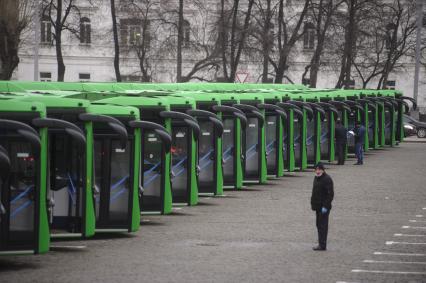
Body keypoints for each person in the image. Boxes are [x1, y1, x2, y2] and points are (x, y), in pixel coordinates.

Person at [311, 162, 334, 251]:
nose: (317, 171)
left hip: (323, 207)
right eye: (316, 169)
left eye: (319, 169)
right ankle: (321, 242)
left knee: (323, 226)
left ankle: (322, 244)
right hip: (317, 206)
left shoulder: (327, 179)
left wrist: (325, 206)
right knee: (318, 225)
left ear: (323, 170)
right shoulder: (316, 178)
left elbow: (330, 194)